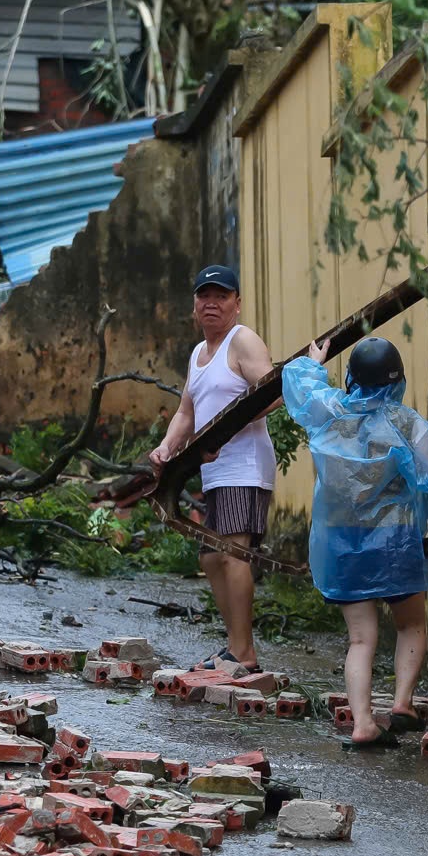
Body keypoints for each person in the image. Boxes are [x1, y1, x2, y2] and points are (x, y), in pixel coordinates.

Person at [283, 334, 428, 748]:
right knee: (411, 624)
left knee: (361, 640)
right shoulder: (407, 425)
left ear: (351, 377)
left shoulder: (329, 413)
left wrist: (316, 361)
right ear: (398, 379)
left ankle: (363, 723)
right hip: (396, 542)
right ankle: (402, 703)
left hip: (342, 546)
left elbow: (302, 386)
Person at [148, 264, 278, 673]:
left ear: (236, 304)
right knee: (210, 558)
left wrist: (224, 431)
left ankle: (244, 653)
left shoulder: (242, 341)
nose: (212, 303)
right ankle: (235, 645)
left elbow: (273, 394)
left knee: (234, 556)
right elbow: (187, 411)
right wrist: (167, 447)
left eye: (221, 296)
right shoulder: (198, 354)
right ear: (194, 305)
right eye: (205, 296)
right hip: (215, 473)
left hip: (245, 467)